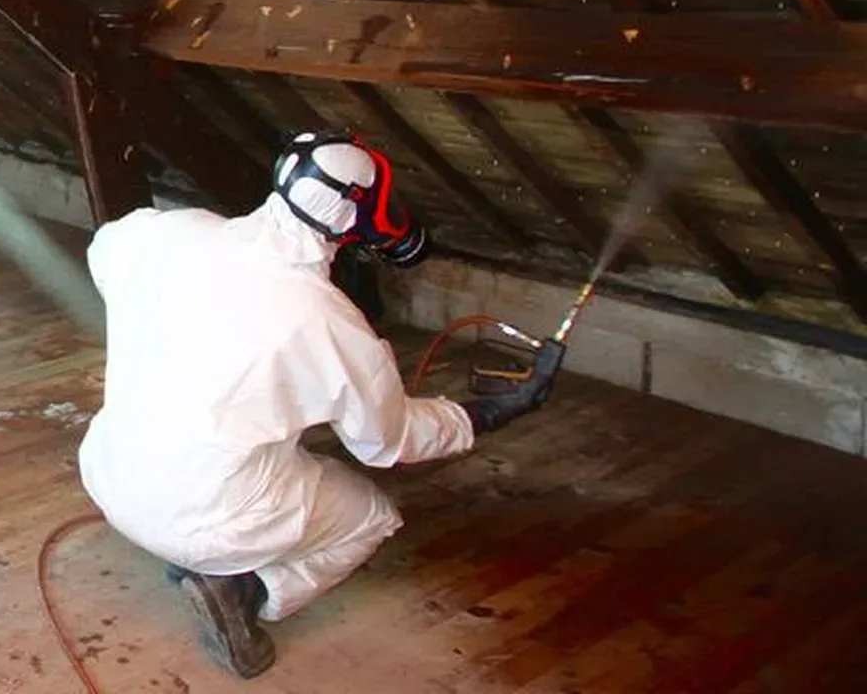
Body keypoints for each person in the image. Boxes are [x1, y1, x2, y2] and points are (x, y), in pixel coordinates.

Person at [75, 131, 558, 678]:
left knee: (240, 450)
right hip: (202, 515)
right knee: (371, 517)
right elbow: (388, 443)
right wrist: (485, 414)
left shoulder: (170, 231)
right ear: (356, 216)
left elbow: (104, 249)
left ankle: (199, 549)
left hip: (108, 472)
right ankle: (247, 592)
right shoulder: (325, 320)